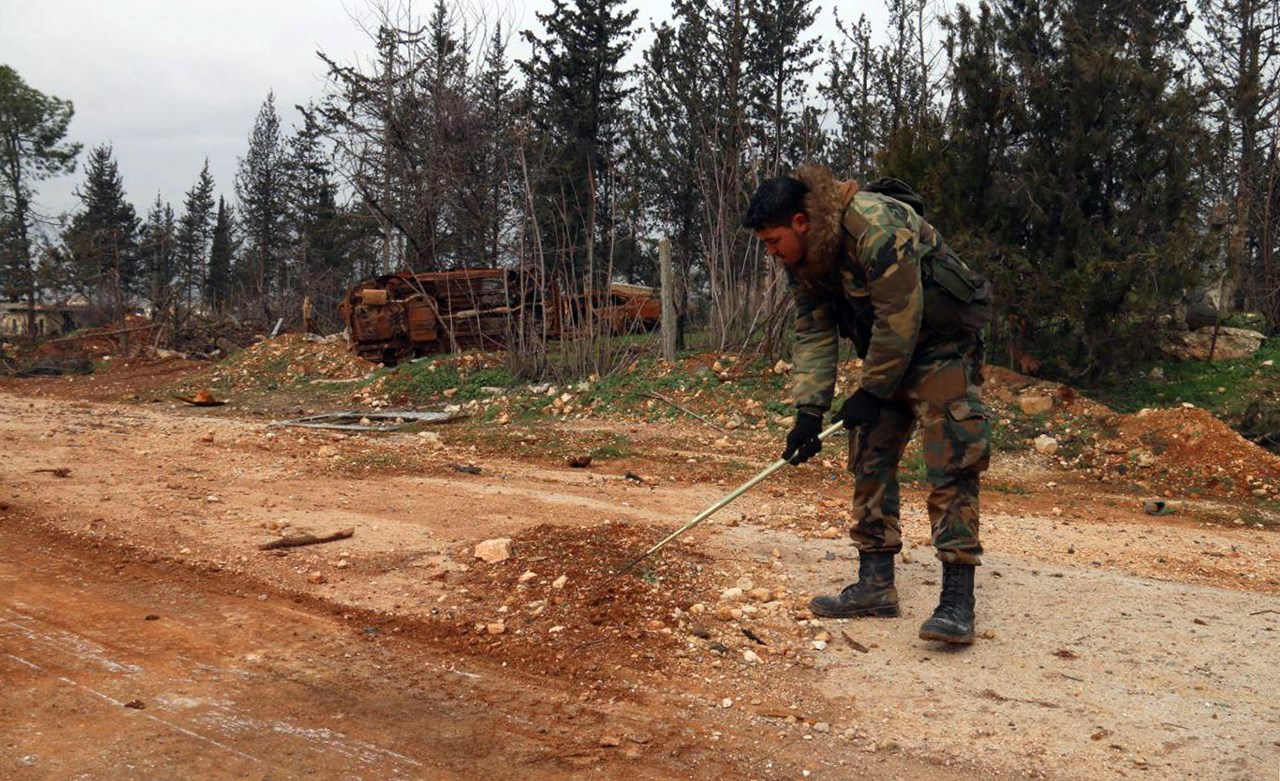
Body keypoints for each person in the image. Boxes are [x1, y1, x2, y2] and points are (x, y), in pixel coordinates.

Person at [743, 165, 991, 645]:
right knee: (869, 453)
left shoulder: (876, 226)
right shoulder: (802, 259)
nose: (771, 252)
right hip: (888, 348)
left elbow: (902, 315)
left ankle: (958, 603)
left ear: (800, 222)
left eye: (773, 241)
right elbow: (813, 330)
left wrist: (871, 391)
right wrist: (808, 414)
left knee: (952, 458)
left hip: (940, 346)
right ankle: (875, 586)